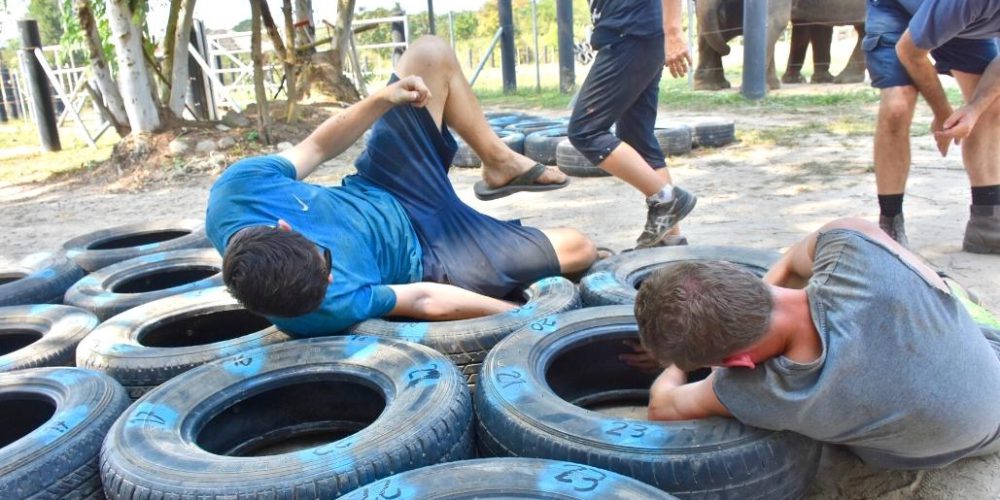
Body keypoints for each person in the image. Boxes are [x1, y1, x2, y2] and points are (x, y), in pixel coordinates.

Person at [205, 36, 597, 337]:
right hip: (432, 257)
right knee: (580, 248)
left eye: (325, 263)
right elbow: (423, 299)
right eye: (328, 284)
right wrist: (522, 316)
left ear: (285, 226)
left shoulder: (238, 190)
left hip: (384, 184)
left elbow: (318, 147)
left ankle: (500, 163)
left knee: (429, 53)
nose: (331, 278)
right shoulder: (312, 310)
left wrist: (383, 99)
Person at [630, 217, 1000, 469]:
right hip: (989, 374)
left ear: (740, 362)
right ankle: (959, 293)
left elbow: (662, 407)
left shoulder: (757, 391)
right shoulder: (851, 243)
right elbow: (792, 260)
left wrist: (679, 363)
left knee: (844, 436)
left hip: (931, 452)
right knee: (937, 285)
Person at [865, 0, 1000, 253]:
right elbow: (909, 51)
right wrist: (942, 112)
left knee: (992, 104)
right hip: (897, 8)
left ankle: (987, 220)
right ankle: (890, 225)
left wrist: (974, 110)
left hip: (965, 24)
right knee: (897, 105)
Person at [566, 0, 697, 249]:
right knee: (637, 137)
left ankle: (666, 199)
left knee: (585, 130)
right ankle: (670, 240)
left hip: (631, 32)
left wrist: (673, 31)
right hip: (636, 34)